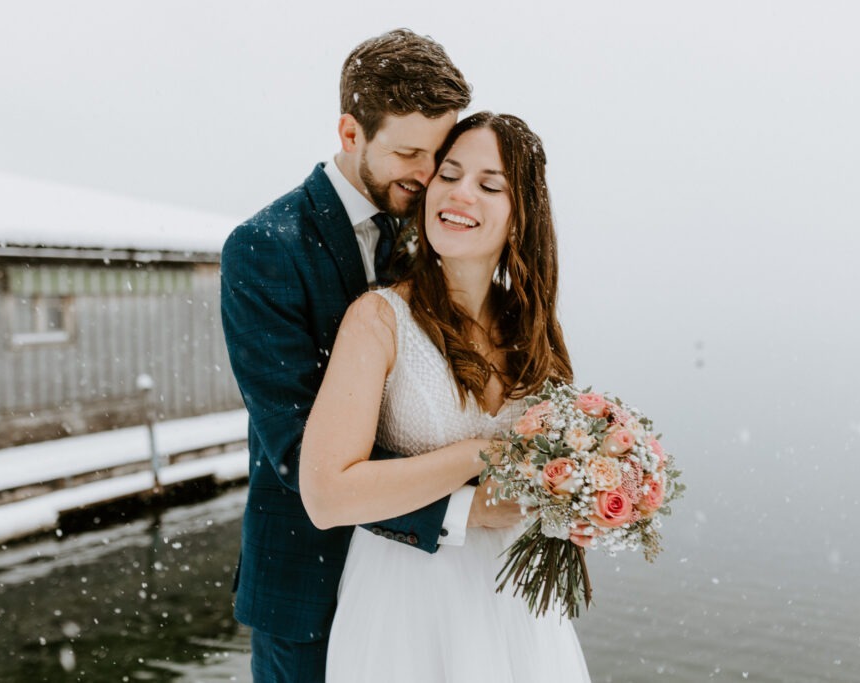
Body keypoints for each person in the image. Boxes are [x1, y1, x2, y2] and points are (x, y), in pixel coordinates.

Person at [220, 31, 523, 683]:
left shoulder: (435, 229)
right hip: (310, 580)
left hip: (426, 592)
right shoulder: (263, 249)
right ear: (351, 133)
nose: (428, 174)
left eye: (437, 153)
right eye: (409, 152)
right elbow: (300, 449)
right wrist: (468, 504)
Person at [300, 112, 591, 681]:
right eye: (449, 175)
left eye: (489, 185)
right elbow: (326, 494)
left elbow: (554, 471)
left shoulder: (535, 332)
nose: (459, 194)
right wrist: (480, 454)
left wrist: (576, 509)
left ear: (520, 216)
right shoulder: (380, 319)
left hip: (517, 612)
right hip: (406, 606)